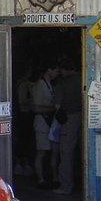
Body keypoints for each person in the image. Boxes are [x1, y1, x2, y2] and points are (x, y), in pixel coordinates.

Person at [54, 56, 82, 195]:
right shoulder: (82, 79)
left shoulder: (63, 83)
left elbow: (57, 106)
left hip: (69, 118)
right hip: (83, 117)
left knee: (66, 152)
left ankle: (66, 185)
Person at [30, 61, 59, 189]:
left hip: (50, 122)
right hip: (42, 121)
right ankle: (40, 179)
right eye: (56, 70)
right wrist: (52, 109)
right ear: (49, 70)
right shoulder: (39, 85)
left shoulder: (50, 84)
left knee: (54, 151)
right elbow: (35, 107)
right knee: (41, 151)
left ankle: (55, 178)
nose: (57, 73)